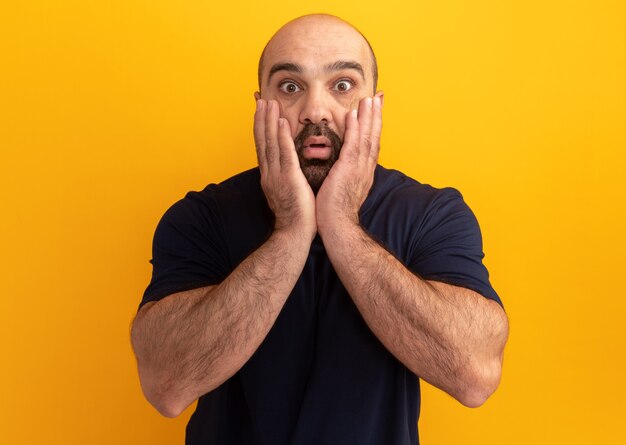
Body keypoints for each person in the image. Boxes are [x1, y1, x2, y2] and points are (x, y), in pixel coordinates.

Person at [131, 13, 509, 445]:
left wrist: (341, 225)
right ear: (262, 105)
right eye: (290, 87)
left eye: (342, 85)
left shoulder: (431, 213)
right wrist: (291, 230)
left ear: (375, 105)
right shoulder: (201, 216)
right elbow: (166, 387)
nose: (314, 110)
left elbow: (474, 376)